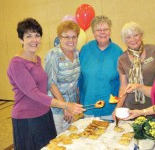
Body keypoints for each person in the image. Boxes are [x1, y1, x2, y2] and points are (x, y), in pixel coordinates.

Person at [7, 18, 85, 150]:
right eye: (29, 36)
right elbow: (34, 93)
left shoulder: (36, 59)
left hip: (44, 113)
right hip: (27, 117)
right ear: (21, 39)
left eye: (37, 35)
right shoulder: (17, 64)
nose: (34, 40)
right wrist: (65, 105)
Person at [112, 22, 155, 120]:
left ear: (141, 35)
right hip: (131, 108)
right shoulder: (122, 59)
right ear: (124, 40)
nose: (133, 39)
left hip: (153, 105)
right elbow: (123, 87)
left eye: (136, 35)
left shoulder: (154, 51)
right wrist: (117, 108)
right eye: (128, 37)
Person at [78, 15, 123, 121]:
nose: (102, 32)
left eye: (105, 29)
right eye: (98, 30)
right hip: (88, 107)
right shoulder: (85, 50)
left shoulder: (118, 52)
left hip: (110, 109)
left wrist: (118, 108)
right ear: (93, 33)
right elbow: (79, 79)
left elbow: (123, 83)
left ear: (110, 31)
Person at [44, 21, 81, 135]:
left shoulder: (77, 53)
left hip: (72, 105)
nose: (71, 40)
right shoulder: (53, 55)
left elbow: (76, 81)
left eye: (74, 37)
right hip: (57, 107)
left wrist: (73, 105)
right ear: (60, 38)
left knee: (72, 138)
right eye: (67, 37)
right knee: (59, 140)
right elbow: (50, 83)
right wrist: (65, 106)